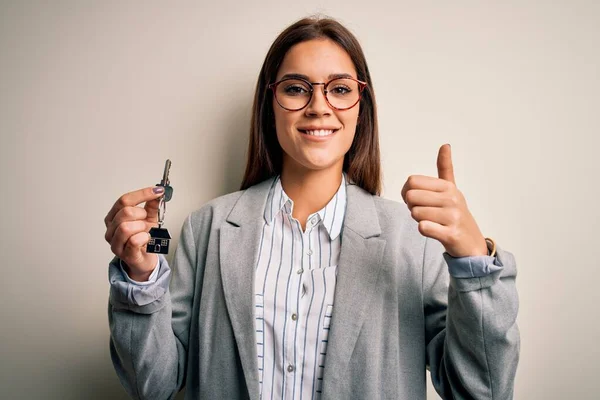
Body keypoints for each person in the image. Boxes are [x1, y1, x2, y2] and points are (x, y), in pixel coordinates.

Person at [104, 16, 519, 400]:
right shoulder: (206, 228)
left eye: (339, 89)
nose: (319, 106)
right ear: (271, 103)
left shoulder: (413, 238)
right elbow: (153, 384)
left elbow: (480, 391)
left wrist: (473, 263)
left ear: (361, 106)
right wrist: (140, 280)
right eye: (296, 88)